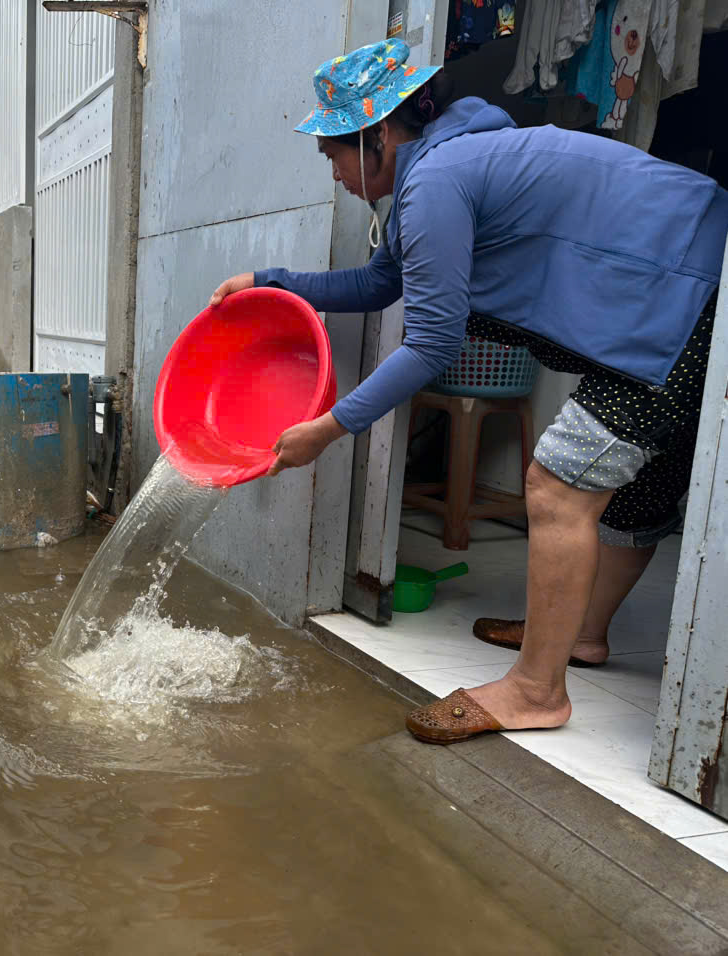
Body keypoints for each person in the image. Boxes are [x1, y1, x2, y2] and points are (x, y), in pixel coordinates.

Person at [208, 37, 727, 744]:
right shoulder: (446, 164)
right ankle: (583, 635)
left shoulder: (437, 181)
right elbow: (382, 282)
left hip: (686, 302)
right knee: (635, 487)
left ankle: (537, 692)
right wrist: (271, 282)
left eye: (332, 150)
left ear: (381, 134)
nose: (330, 171)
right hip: (693, 288)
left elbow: (430, 342)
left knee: (559, 483)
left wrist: (329, 427)